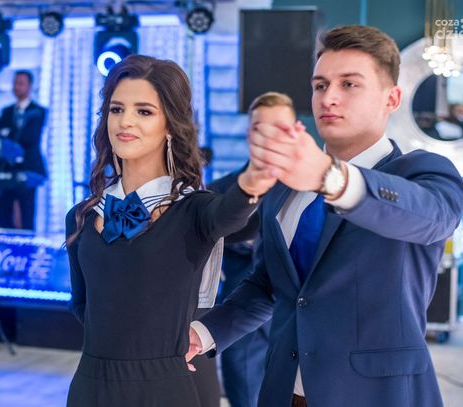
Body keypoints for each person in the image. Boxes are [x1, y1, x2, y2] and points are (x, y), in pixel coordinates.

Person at [188, 25, 463, 407]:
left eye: (349, 84)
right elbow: (268, 286)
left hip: (378, 397)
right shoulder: (284, 187)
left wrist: (330, 179)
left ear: (392, 98)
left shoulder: (421, 173)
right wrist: (204, 333)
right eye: (320, 85)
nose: (328, 98)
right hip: (284, 391)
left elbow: (433, 217)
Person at [64, 54, 279, 407]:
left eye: (144, 111)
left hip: (164, 387)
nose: (125, 121)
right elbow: (82, 303)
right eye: (116, 109)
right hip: (91, 385)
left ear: (170, 125)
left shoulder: (195, 209)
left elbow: (232, 213)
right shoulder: (82, 216)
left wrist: (252, 182)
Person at [208, 92, 296, 407]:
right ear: (249, 133)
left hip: (298, 328)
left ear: (295, 131)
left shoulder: (314, 192)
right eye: (260, 128)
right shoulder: (218, 193)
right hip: (240, 328)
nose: (269, 137)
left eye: (279, 128)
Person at [0, 70, 47, 230]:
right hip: (7, 168)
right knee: (4, 212)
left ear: (30, 87)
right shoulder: (7, 111)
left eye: (21, 83)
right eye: (15, 83)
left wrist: (8, 136)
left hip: (28, 168)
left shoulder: (37, 111)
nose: (17, 87)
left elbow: (29, 138)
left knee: (26, 213)